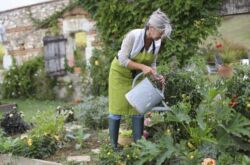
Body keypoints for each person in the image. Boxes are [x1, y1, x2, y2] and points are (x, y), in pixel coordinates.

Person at [108, 9, 172, 150]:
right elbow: (123, 59)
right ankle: (113, 148)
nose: (162, 34)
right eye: (161, 31)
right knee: (116, 109)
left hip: (137, 75)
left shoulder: (157, 42)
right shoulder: (133, 36)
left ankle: (139, 147)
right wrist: (143, 67)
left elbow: (152, 64)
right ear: (151, 27)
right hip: (120, 74)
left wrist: (156, 75)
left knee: (139, 109)